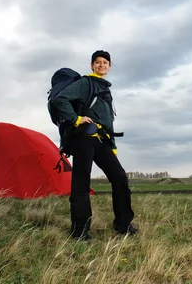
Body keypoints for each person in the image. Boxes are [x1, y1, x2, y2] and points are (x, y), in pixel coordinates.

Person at [51, 50, 137, 240]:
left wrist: (112, 145)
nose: (101, 65)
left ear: (109, 66)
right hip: (84, 139)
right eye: (97, 62)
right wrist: (76, 119)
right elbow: (60, 100)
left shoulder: (105, 88)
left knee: (120, 178)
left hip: (102, 140)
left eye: (105, 62)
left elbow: (109, 121)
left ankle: (123, 224)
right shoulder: (85, 83)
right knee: (81, 183)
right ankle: (80, 231)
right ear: (92, 65)